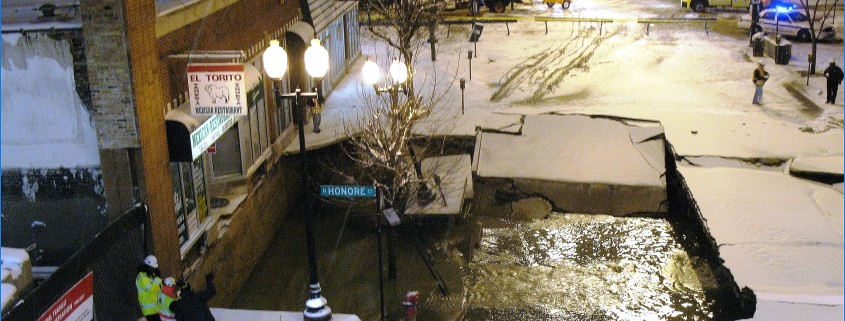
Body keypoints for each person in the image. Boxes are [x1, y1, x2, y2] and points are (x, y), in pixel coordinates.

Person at [136, 255, 163, 321]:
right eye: (152, 268)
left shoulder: (149, 276)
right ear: (148, 267)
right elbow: (151, 289)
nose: (153, 270)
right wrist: (157, 278)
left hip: (155, 309)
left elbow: (158, 289)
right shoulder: (142, 278)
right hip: (149, 311)